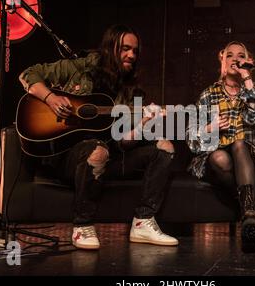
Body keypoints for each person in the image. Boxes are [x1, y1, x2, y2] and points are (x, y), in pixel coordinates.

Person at [18, 24, 178, 249]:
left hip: (106, 156)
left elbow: (122, 143)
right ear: (110, 47)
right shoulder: (80, 67)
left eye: (135, 51)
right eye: (125, 48)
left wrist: (143, 124)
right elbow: (28, 74)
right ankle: (82, 225)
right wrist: (51, 98)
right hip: (67, 158)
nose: (131, 55)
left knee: (164, 148)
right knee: (97, 149)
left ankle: (143, 221)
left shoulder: (132, 93)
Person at [186, 41, 255, 252]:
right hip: (215, 161)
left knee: (239, 144)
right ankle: (254, 215)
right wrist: (210, 128)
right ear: (222, 60)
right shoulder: (207, 95)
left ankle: (251, 214)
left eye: (241, 56)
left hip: (249, 157)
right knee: (219, 157)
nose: (235, 60)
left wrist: (247, 79)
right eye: (230, 55)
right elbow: (191, 140)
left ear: (249, 62)